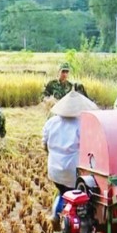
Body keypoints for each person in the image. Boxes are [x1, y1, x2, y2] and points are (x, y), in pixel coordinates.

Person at [42, 91, 98, 224]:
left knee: (62, 192)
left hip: (54, 169)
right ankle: (70, 221)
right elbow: (90, 149)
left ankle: (56, 215)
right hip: (73, 170)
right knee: (76, 195)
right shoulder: (82, 125)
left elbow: (44, 144)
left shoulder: (51, 123)